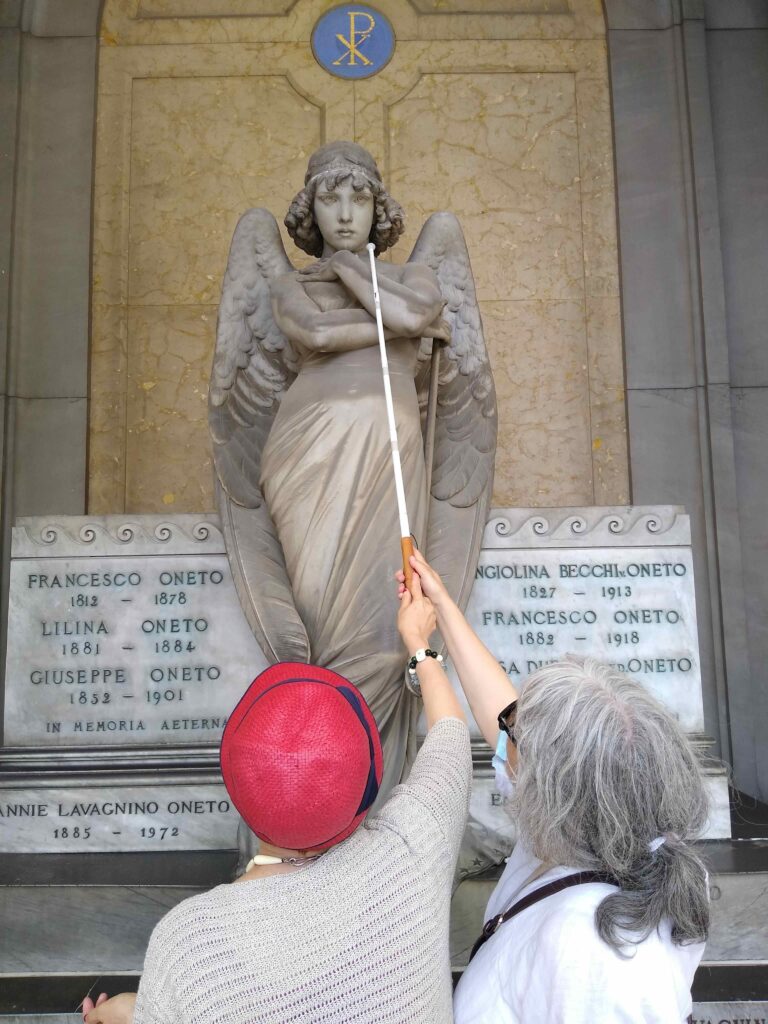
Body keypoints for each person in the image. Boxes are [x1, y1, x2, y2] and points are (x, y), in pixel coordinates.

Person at [83, 565, 471, 1024]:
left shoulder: (188, 946)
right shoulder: (411, 851)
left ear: (237, 786)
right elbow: (451, 736)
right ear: (368, 775)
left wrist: (123, 1015)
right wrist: (419, 645)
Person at [401, 549, 710, 1024]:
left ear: (553, 790)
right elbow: (501, 715)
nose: (506, 743)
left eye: (518, 741)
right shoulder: (617, 831)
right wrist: (439, 608)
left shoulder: (596, 955)